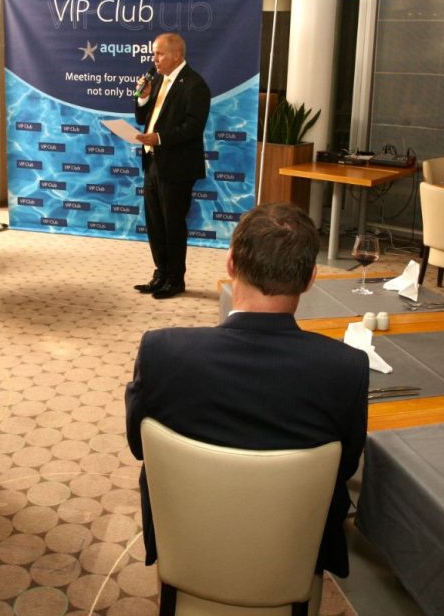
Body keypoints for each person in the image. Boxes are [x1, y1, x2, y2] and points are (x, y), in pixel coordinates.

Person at [125, 202, 369, 583]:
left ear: (230, 263)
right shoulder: (347, 369)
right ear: (311, 279)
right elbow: (345, 467)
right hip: (294, 551)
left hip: (186, 542)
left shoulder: (161, 353)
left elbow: (139, 446)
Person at [133, 32, 211, 299]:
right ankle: (161, 274)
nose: (154, 59)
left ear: (176, 55)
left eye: (159, 54)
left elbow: (193, 127)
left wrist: (160, 138)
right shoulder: (156, 80)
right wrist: (143, 98)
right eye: (153, 53)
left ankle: (175, 279)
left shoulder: (194, 84)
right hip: (153, 161)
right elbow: (142, 117)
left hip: (177, 165)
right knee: (155, 223)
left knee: (173, 224)